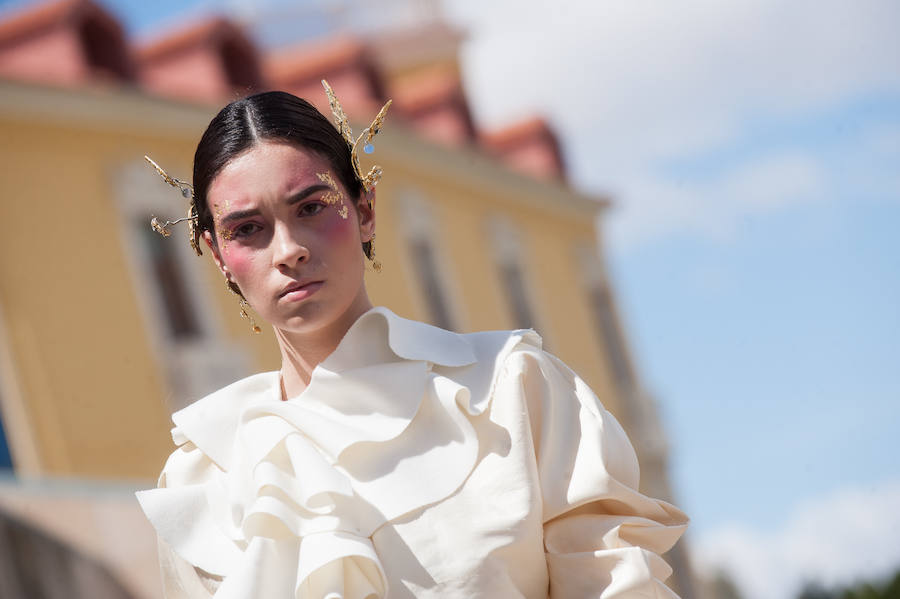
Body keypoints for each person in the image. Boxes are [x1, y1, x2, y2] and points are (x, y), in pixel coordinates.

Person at [136, 82, 688, 599]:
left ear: (366, 211)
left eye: (311, 208)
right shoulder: (206, 477)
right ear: (217, 256)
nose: (288, 251)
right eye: (247, 229)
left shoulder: (512, 391)